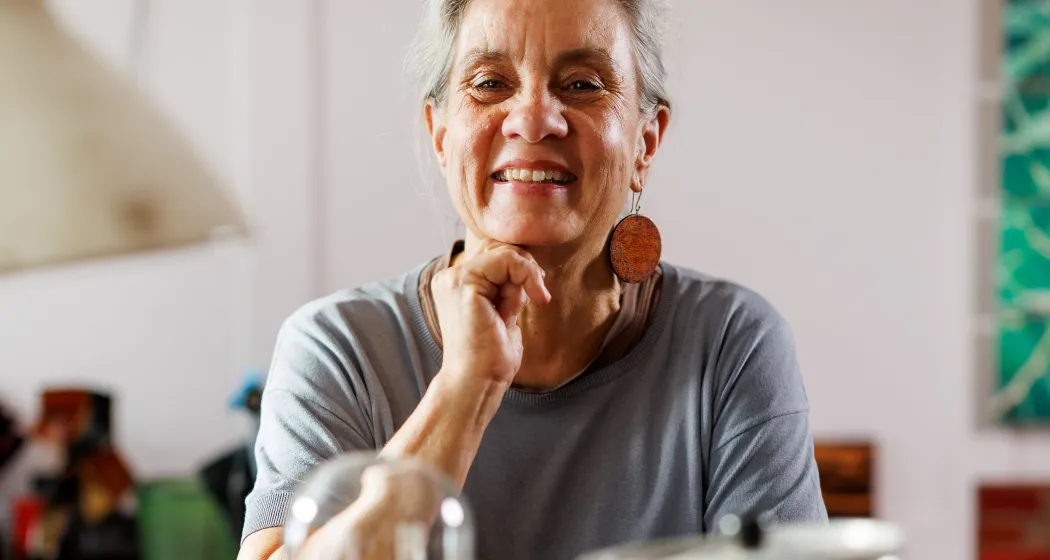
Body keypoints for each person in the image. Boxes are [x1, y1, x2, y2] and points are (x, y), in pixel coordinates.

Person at [237, 0, 828, 558]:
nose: (534, 119)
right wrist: (466, 385)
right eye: (490, 83)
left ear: (646, 141)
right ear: (441, 134)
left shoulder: (731, 341)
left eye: (583, 85)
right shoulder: (338, 347)